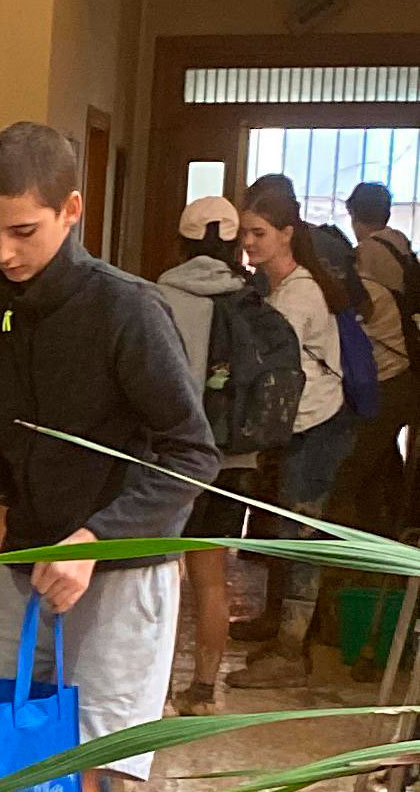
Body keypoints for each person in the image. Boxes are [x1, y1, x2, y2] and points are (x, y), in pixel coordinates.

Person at [0, 121, 218, 789]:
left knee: (100, 772)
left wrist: (97, 539)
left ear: (71, 211)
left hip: (122, 573)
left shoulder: (128, 310)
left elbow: (191, 453)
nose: (3, 252)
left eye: (23, 232)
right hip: (24, 566)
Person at [228, 174, 354, 689]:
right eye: (243, 233)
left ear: (286, 233)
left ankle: (290, 651)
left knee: (302, 538)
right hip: (300, 426)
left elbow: (266, 367)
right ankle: (279, 633)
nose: (248, 243)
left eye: (258, 233)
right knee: (284, 531)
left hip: (318, 426)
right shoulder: (280, 285)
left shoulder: (295, 296)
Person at [156, 197, 260, 716]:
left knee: (161, 574)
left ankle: (153, 691)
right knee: (211, 577)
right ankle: (201, 692)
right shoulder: (250, 300)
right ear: (235, 241)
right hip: (232, 459)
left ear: (182, 240)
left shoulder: (157, 296)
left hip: (171, 457)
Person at [340, 181, 418, 537]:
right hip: (410, 365)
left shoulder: (368, 255)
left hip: (389, 369)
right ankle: (393, 526)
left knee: (359, 464)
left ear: (354, 215)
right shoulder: (400, 245)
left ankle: (375, 534)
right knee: (386, 457)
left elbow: (364, 315)